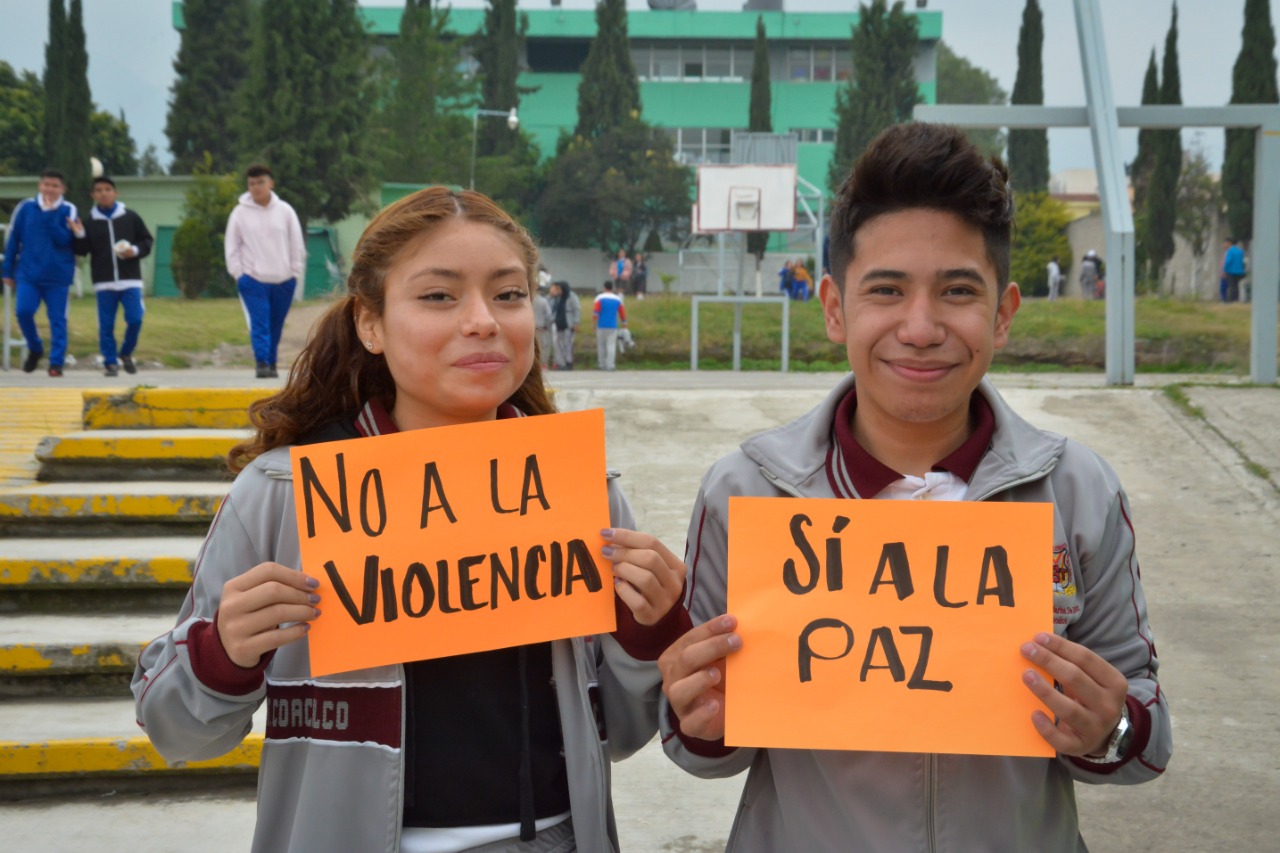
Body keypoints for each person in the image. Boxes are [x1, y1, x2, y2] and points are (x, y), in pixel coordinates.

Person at [657, 123, 1171, 851]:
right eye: (887, 290)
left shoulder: (1078, 489)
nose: (921, 327)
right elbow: (695, 749)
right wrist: (697, 717)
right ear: (835, 308)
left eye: (958, 290)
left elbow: (1147, 732)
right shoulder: (745, 492)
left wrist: (1111, 723)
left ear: (1003, 312)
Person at [133, 187, 690, 853]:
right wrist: (223, 651)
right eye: (438, 296)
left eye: (509, 294)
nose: (483, 320)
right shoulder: (282, 495)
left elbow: (622, 732)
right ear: (370, 322)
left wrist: (647, 629)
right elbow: (177, 730)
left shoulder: (581, 493)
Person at [224, 163, 306, 379]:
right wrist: (239, 274)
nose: (256, 187)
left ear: (271, 183)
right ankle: (261, 362)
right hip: (253, 279)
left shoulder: (285, 211)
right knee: (260, 322)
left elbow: (295, 243)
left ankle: (272, 362)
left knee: (276, 324)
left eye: (261, 182)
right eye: (252, 183)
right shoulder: (239, 213)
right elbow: (231, 246)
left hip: (284, 279)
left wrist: (294, 273)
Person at [71, 176, 154, 377]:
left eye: (108, 189)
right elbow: (82, 251)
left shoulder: (130, 217)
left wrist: (133, 250)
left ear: (115, 193)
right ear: (93, 195)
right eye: (99, 190)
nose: (104, 193)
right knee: (106, 325)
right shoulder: (89, 222)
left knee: (135, 319)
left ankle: (125, 353)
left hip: (130, 280)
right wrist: (79, 234)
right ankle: (110, 363)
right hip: (104, 282)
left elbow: (146, 241)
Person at [2, 168, 79, 377]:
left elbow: (65, 240)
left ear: (62, 188)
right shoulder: (25, 207)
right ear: (40, 185)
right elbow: (13, 240)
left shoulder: (69, 209)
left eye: (55, 186)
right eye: (47, 184)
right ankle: (35, 348)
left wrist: (50, 215)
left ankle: (56, 363)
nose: (50, 189)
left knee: (57, 319)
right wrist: (6, 270)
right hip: (28, 273)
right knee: (23, 312)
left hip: (57, 275)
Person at [593, 280, 626, 371]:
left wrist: (594, 324)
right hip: (613, 326)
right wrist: (624, 323)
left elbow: (596, 313)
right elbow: (622, 312)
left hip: (601, 325)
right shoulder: (617, 299)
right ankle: (610, 365)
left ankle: (602, 364)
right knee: (611, 346)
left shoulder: (599, 298)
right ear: (612, 288)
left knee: (601, 345)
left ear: (604, 288)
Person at [550, 280, 580, 370]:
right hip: (559, 323)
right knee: (559, 344)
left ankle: (569, 362)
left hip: (568, 323)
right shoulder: (558, 297)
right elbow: (554, 308)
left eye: (559, 288)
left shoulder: (572, 296)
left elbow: (577, 309)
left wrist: (576, 322)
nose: (558, 290)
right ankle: (561, 363)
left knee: (568, 344)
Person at [533, 277, 553, 368]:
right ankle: (543, 364)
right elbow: (549, 315)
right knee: (543, 347)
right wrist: (547, 326)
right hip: (541, 327)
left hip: (529, 328)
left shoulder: (528, 301)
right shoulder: (543, 301)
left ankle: (533, 365)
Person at [1221, 238, 1246, 303]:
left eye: (1226, 243)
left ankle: (1231, 300)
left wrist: (1225, 269)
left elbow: (1228, 261)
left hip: (1231, 271)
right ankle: (1236, 299)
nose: (1225, 244)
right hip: (1239, 271)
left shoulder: (1230, 251)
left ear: (1230, 243)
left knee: (1232, 286)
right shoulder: (1240, 251)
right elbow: (1243, 261)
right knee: (1236, 286)